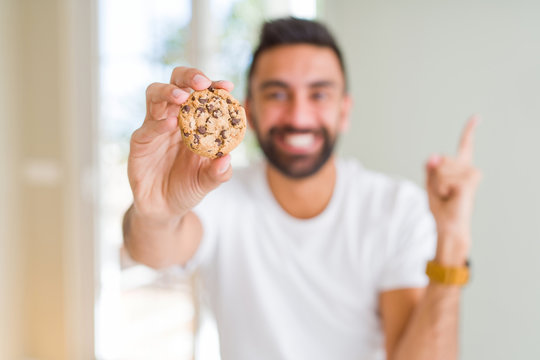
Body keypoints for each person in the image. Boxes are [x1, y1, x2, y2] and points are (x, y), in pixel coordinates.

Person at [123, 17, 481, 360]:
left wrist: (451, 240)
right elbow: (155, 250)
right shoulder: (217, 193)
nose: (298, 116)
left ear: (345, 111)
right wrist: (156, 212)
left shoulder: (396, 208)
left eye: (319, 95)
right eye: (277, 94)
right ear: (249, 111)